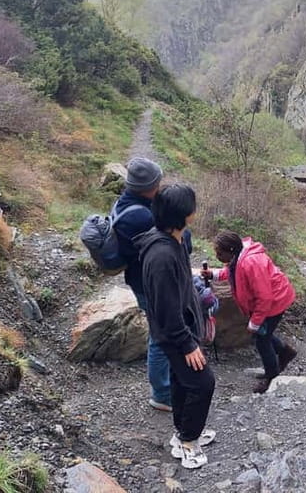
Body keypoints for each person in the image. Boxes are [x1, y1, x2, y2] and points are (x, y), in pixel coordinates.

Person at [134, 184, 216, 469]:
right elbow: (166, 309)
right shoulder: (162, 256)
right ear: (183, 214)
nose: (196, 209)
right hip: (175, 333)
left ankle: (182, 432)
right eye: (192, 206)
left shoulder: (175, 240)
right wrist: (187, 343)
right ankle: (188, 443)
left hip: (184, 325)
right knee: (203, 383)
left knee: (183, 380)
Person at [202, 230, 297, 394]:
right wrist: (214, 274)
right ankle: (285, 352)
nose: (217, 256)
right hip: (271, 300)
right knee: (262, 334)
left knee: (261, 340)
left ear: (231, 250)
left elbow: (265, 297)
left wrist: (255, 322)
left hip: (276, 300)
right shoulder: (238, 257)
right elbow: (234, 272)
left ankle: (272, 375)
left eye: (219, 253)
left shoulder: (251, 263)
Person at [113, 157, 172, 411]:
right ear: (148, 187)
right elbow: (175, 242)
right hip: (150, 284)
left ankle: (166, 384)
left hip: (141, 279)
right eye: (157, 182)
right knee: (160, 337)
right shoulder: (141, 217)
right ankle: (162, 394)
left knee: (161, 332)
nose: (160, 185)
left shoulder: (127, 203)